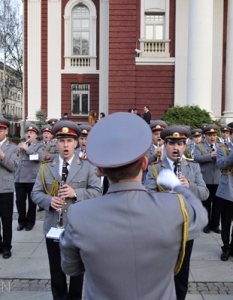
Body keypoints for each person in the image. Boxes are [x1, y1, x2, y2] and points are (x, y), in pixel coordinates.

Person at [59, 112, 207, 300]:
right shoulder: (174, 208)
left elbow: (70, 267)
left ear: (100, 170)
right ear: (145, 163)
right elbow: (200, 216)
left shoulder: (79, 213)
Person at [31, 120, 102, 300]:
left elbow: (97, 192)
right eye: (62, 140)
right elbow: (35, 193)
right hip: (53, 227)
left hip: (78, 227)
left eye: (69, 141)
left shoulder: (87, 166)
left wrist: (75, 193)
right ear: (56, 142)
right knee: (56, 269)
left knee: (77, 270)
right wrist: (48, 200)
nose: (65, 144)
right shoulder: (46, 166)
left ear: (76, 143)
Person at [145, 125, 209, 300]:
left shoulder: (193, 167)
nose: (176, 148)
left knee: (182, 273)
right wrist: (166, 195)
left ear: (185, 146)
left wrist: (189, 186)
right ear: (165, 145)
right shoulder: (155, 167)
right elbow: (145, 195)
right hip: (162, 228)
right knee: (161, 271)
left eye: (180, 144)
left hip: (186, 228)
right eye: (172, 144)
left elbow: (205, 194)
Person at [193, 124, 221, 234]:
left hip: (218, 178)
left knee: (217, 204)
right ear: (205, 136)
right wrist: (211, 156)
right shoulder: (199, 146)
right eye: (210, 135)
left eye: (214, 135)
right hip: (206, 178)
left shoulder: (221, 145)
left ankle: (215, 224)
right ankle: (206, 224)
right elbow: (196, 158)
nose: (212, 137)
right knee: (206, 203)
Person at [15, 123, 41, 232]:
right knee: (20, 201)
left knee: (31, 202)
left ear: (36, 135)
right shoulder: (22, 144)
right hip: (20, 178)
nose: (29, 134)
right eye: (27, 133)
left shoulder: (40, 146)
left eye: (31, 133)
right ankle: (21, 221)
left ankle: (30, 222)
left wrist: (27, 149)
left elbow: (38, 158)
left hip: (31, 178)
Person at [0, 117, 19, 259]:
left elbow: (13, 166)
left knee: (6, 219)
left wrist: (1, 155)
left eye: (0, 129)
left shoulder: (13, 147)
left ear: (6, 131)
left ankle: (6, 246)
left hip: (5, 188)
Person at [216, 122, 233, 261]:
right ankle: (226, 247)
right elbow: (221, 164)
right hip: (227, 190)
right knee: (226, 222)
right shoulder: (223, 148)